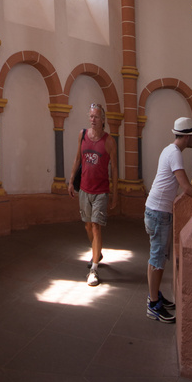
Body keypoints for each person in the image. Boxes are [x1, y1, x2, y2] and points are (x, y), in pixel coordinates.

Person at [142, 116, 192, 323]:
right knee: (157, 259)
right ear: (186, 137)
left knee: (157, 256)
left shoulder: (170, 150)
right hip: (158, 213)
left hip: (155, 210)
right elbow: (186, 187)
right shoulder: (175, 154)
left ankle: (154, 296)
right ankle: (153, 305)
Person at [67, 103, 116, 286]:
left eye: (96, 117)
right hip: (85, 189)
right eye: (91, 116)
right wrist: (71, 181)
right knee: (88, 227)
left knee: (96, 227)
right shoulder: (83, 135)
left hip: (101, 191)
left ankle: (94, 268)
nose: (93, 120)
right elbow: (77, 159)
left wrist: (115, 193)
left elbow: (115, 169)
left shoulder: (109, 141)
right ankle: (98, 252)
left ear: (103, 120)